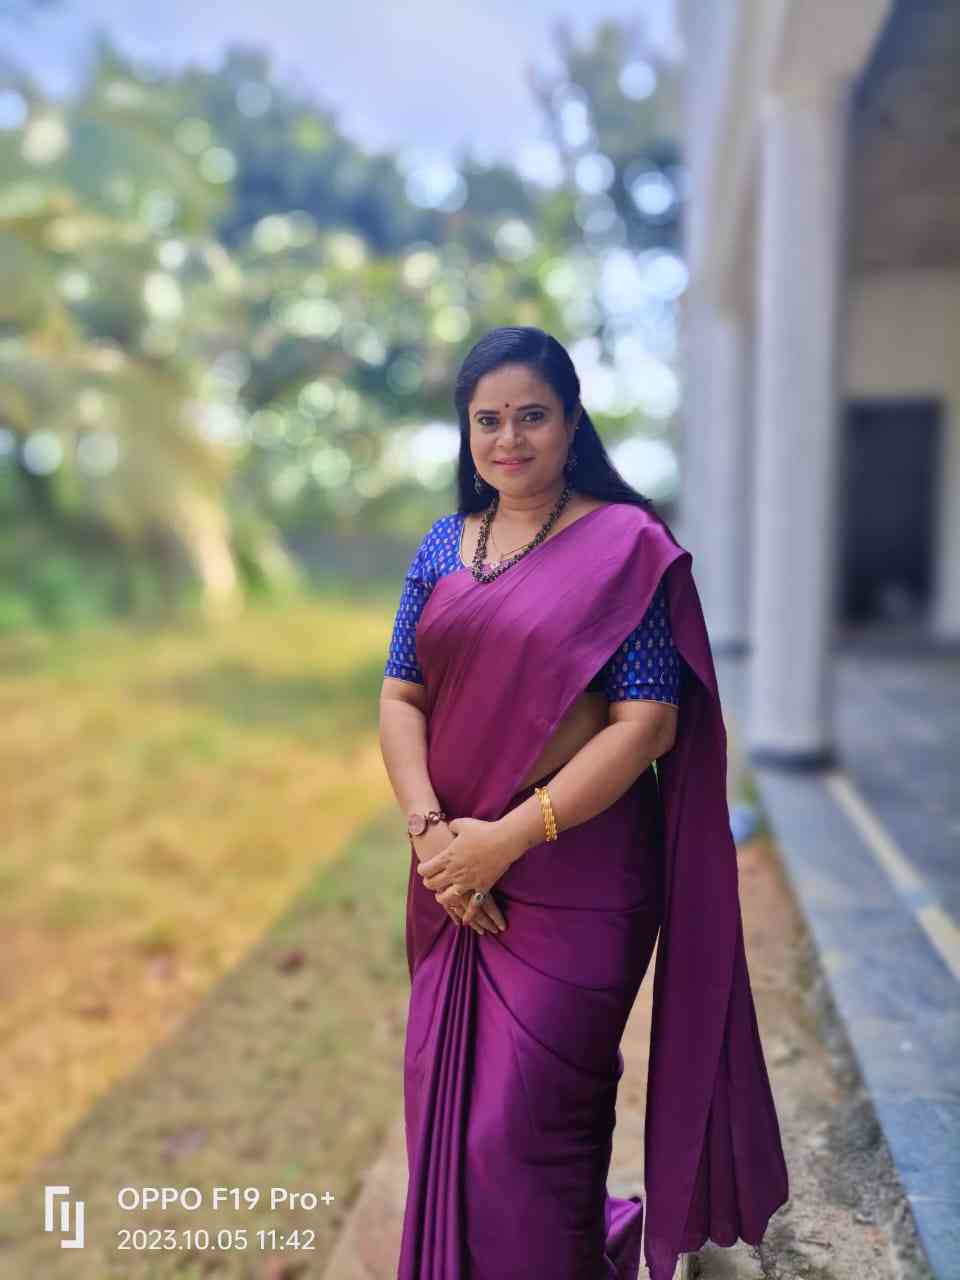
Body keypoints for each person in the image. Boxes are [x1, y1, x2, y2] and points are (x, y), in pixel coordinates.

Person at [378, 326, 789, 1280]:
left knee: (521, 1128)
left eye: (531, 416)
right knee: (452, 1118)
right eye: (488, 420)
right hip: (452, 873)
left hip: (580, 878)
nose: (508, 439)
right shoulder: (442, 544)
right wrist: (435, 838)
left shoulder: (625, 548)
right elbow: (401, 697)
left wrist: (503, 842)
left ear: (571, 423)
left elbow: (647, 726)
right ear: (466, 431)